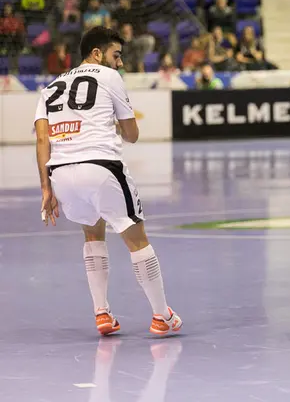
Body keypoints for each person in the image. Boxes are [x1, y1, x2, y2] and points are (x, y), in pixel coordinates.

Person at [35, 26, 182, 337]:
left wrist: (46, 188)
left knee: (92, 234)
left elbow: (42, 141)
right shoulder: (109, 77)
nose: (121, 63)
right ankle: (162, 316)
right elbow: (132, 134)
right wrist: (111, 127)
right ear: (97, 54)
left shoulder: (50, 87)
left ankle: (101, 313)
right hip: (101, 167)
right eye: (117, 55)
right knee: (137, 240)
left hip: (61, 173)